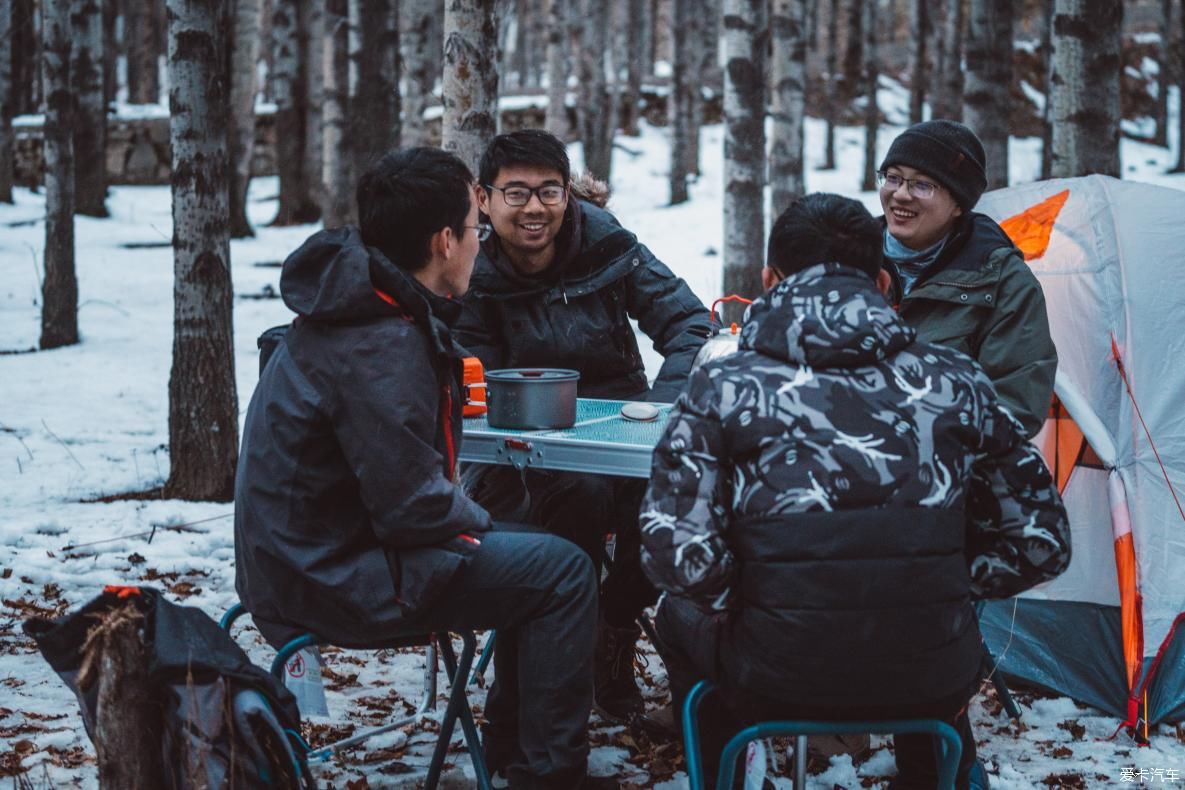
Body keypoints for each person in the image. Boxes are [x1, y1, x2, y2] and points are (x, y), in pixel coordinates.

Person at [640, 194, 1071, 789]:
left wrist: (750, 594)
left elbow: (672, 552)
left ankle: (728, 777)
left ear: (768, 282)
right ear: (883, 282)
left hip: (771, 675)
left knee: (675, 614)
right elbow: (1043, 541)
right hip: (930, 673)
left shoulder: (723, 383)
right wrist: (941, 578)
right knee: (921, 630)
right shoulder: (955, 382)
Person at [233, 147, 606, 789]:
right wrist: (481, 519)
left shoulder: (364, 306)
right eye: (476, 229)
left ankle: (517, 752)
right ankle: (548, 777)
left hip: (304, 556)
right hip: (330, 578)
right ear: (443, 241)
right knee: (564, 571)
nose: (479, 246)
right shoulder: (381, 342)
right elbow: (412, 507)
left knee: (546, 554)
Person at [454, 129, 714, 725]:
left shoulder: (608, 245)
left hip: (623, 432)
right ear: (484, 198)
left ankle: (611, 624)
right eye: (515, 193)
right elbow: (473, 373)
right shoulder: (472, 265)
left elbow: (690, 326)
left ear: (568, 194)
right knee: (579, 496)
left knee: (667, 510)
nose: (534, 208)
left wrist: (660, 407)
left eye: (549, 191)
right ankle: (551, 684)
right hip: (514, 447)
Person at [878, 119, 1056, 437]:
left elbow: (1014, 407)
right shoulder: (845, 256)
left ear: (959, 204)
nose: (900, 195)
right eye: (893, 178)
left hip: (942, 472)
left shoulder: (1004, 284)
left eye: (922, 185)